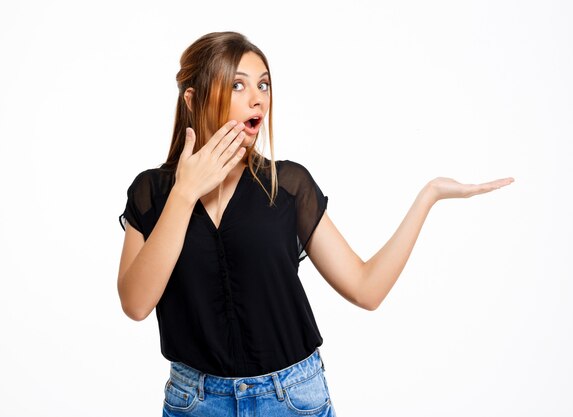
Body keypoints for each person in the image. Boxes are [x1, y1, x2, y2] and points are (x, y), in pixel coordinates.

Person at [117, 31, 514, 417]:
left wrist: (429, 196)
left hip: (291, 400)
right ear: (193, 98)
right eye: (238, 86)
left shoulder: (288, 185)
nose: (257, 99)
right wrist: (185, 194)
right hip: (195, 403)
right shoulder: (152, 192)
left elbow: (366, 289)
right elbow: (135, 304)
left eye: (264, 85)